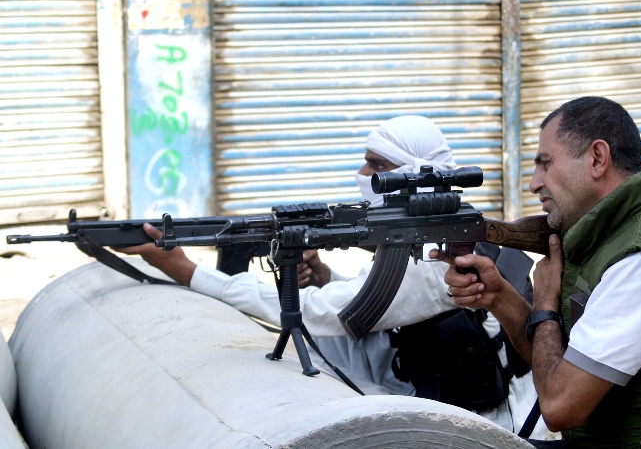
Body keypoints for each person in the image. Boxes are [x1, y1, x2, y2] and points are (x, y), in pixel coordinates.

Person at [120, 115, 549, 438]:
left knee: (313, 341)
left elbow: (327, 313)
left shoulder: (446, 253)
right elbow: (380, 300)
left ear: (405, 173)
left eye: (374, 165)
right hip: (438, 376)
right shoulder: (431, 233)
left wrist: (188, 272)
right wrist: (325, 275)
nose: (363, 176)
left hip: (483, 420)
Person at [443, 97, 641, 448]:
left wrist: (545, 304)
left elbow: (560, 407)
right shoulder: (633, 216)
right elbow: (557, 365)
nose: (533, 184)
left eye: (545, 164)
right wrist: (499, 295)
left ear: (597, 158)